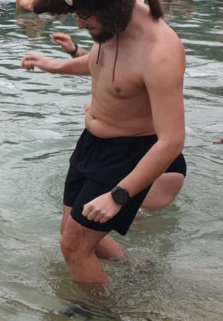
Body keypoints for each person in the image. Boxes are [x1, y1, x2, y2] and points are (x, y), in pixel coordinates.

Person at [25, 0, 185, 286]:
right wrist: (56, 66)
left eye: (85, 17)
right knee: (71, 234)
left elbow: (172, 141)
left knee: (73, 246)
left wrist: (119, 195)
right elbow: (101, 65)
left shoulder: (160, 52)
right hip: (91, 145)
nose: (81, 27)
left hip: (127, 154)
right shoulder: (111, 25)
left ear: (114, 7)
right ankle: (135, 269)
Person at [19, 32, 188, 212]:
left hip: (150, 159)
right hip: (114, 153)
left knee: (141, 231)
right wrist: (67, 57)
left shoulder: (152, 50)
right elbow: (103, 64)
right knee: (86, 228)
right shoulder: (115, 40)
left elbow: (133, 80)